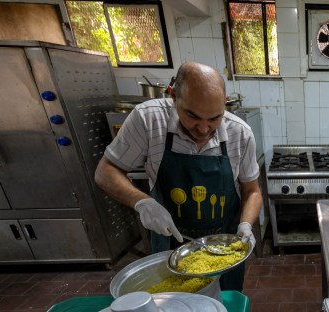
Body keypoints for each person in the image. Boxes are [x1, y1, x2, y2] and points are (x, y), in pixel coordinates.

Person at [95, 62, 262, 292]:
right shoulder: (148, 120)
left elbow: (252, 191)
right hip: (171, 247)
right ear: (173, 96)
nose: (203, 129)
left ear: (226, 102)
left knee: (227, 305)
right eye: (192, 116)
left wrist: (245, 225)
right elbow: (105, 171)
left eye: (214, 118)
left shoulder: (240, 133)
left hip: (223, 251)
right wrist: (142, 202)